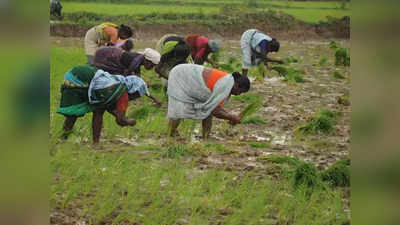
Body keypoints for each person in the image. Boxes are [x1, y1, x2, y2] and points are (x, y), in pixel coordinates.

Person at [57, 65, 161, 144]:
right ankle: (92, 143)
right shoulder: (122, 93)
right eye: (137, 95)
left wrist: (154, 99)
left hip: (75, 75)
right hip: (80, 79)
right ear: (133, 90)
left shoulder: (115, 83)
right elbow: (120, 120)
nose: (135, 98)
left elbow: (106, 109)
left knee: (75, 113)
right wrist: (132, 122)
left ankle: (63, 138)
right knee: (78, 112)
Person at [167, 64, 250, 139]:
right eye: (240, 91)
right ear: (236, 85)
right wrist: (230, 117)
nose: (239, 94)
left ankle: (205, 137)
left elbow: (214, 107)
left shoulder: (228, 82)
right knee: (179, 109)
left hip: (188, 77)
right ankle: (170, 135)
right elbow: (214, 110)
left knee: (207, 112)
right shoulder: (225, 85)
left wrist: (229, 115)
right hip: (181, 76)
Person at [92, 47, 160, 76]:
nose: (152, 67)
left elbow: (137, 75)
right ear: (147, 60)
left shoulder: (139, 59)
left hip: (110, 54)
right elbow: (126, 76)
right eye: (152, 65)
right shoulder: (132, 61)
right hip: (104, 56)